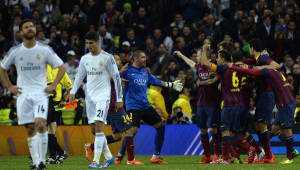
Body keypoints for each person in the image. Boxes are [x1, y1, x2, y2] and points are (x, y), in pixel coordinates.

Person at [0, 19, 66, 170]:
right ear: (21, 32)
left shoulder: (45, 50)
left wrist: (54, 85)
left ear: (35, 30)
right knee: (30, 129)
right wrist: (9, 86)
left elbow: (61, 67)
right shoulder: (15, 51)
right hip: (23, 95)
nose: (30, 28)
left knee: (41, 124)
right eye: (26, 27)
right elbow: (2, 68)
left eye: (32, 26)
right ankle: (36, 163)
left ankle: (41, 163)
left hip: (41, 94)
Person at [69, 31, 123, 169]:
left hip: (103, 97)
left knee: (99, 125)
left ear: (98, 42)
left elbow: (116, 77)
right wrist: (72, 91)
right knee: (94, 130)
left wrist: (119, 98)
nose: (89, 46)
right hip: (90, 98)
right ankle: (109, 157)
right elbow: (79, 76)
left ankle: (95, 161)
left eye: (91, 43)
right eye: (87, 43)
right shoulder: (84, 58)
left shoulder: (107, 58)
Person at [121, 50, 183, 164]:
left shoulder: (145, 71)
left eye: (145, 57)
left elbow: (156, 81)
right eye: (143, 57)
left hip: (145, 106)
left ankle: (156, 156)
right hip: (132, 106)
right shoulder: (127, 71)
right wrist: (118, 79)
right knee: (132, 131)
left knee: (160, 126)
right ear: (135, 59)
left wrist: (171, 85)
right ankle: (124, 157)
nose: (145, 59)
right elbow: (113, 79)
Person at [230, 63, 298, 164]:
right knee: (275, 130)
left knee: (287, 129)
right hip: (282, 103)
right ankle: (291, 150)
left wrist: (233, 66)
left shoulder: (267, 71)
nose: (257, 69)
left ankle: (289, 157)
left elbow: (251, 71)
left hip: (285, 103)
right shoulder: (274, 72)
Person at [200, 44, 257, 164]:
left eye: (219, 58)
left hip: (229, 104)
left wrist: (204, 50)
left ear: (223, 59)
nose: (218, 60)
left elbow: (204, 63)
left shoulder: (223, 68)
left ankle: (227, 157)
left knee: (225, 131)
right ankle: (234, 156)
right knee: (232, 132)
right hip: (240, 104)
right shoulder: (239, 68)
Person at [85, 54, 144, 165]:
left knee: (117, 136)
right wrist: (119, 72)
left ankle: (91, 146)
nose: (119, 61)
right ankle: (130, 160)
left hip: (114, 107)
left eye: (118, 59)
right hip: (113, 107)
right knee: (130, 130)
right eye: (116, 59)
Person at [174, 50, 221, 163]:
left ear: (207, 57)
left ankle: (217, 156)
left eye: (199, 55)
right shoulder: (199, 67)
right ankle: (207, 156)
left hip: (213, 104)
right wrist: (181, 55)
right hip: (201, 104)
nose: (197, 57)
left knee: (213, 130)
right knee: (203, 130)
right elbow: (191, 63)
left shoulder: (214, 68)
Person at [45, 64, 72, 164]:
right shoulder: (42, 68)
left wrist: (65, 99)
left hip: (55, 103)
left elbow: (70, 88)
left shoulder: (60, 71)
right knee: (49, 131)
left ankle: (56, 154)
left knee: (48, 130)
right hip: (44, 101)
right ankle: (57, 154)